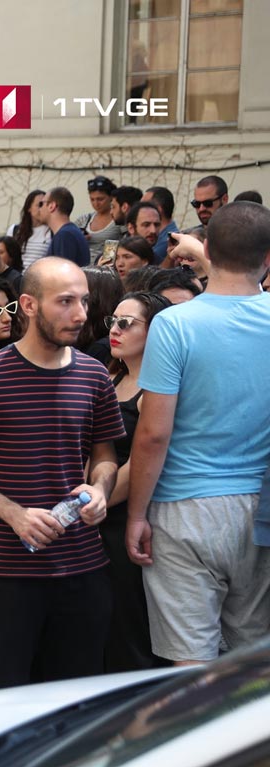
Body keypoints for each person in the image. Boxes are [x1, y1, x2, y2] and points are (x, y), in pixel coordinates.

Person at [0, 257, 124, 690]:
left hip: (83, 568)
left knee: (79, 698)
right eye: (65, 302)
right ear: (28, 305)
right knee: (6, 698)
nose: (79, 314)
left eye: (84, 301)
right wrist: (15, 514)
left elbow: (105, 456)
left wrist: (101, 489)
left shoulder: (94, 375)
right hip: (8, 573)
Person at [127, 201, 270, 666]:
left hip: (184, 509)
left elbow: (153, 434)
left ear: (207, 250)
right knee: (253, 665)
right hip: (261, 506)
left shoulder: (174, 324)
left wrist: (136, 514)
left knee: (190, 669)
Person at [100, 290, 172, 672]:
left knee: (129, 631)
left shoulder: (155, 390)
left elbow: (142, 459)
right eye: (112, 321)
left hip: (128, 518)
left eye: (126, 323)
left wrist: (89, 502)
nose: (115, 329)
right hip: (96, 513)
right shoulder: (110, 377)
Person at [76, 176, 125, 263]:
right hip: (83, 266)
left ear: (111, 197)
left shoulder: (119, 220)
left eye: (100, 199)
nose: (96, 203)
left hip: (106, 265)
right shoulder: (84, 220)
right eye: (92, 199)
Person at [40, 187, 91, 267]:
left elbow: (62, 273)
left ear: (51, 206)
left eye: (41, 204)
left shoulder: (65, 236)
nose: (40, 209)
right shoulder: (69, 232)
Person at [143, 186, 179, 262]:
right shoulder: (163, 235)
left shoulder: (167, 241)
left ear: (157, 210)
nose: (139, 210)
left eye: (144, 206)